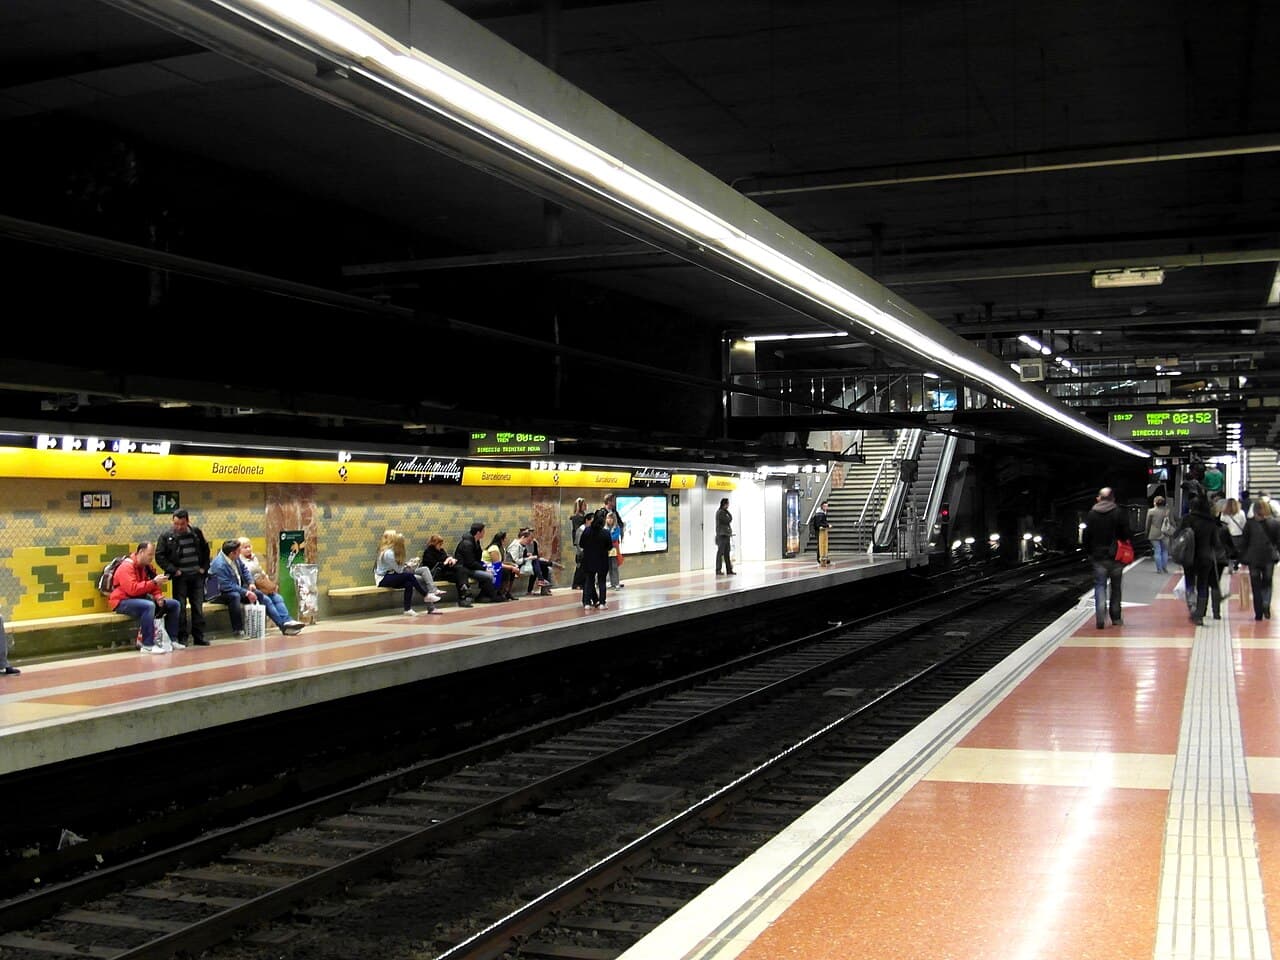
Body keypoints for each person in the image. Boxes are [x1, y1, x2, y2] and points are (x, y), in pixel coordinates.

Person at [109, 541, 181, 654]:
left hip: (140, 599)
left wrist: (158, 596)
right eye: (150, 554)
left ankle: (171, 640)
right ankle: (147, 645)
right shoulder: (126, 567)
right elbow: (132, 590)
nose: (151, 558)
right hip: (122, 601)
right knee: (148, 606)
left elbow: (153, 584)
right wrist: (153, 582)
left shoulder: (146, 567)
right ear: (141, 552)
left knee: (174, 604)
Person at [155, 508, 212, 646]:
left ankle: (199, 636)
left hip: (197, 576)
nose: (179, 527)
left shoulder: (196, 533)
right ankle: (182, 636)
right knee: (180, 606)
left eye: (182, 524)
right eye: (176, 524)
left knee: (197, 607)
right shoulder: (166, 536)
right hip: (180, 577)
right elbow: (160, 556)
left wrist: (204, 568)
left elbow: (205, 551)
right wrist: (174, 570)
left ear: (187, 521)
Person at [1081, 487, 1131, 629]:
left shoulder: (1091, 514)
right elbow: (1126, 533)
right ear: (1113, 498)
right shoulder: (1118, 513)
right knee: (1115, 587)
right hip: (1116, 556)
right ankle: (1116, 618)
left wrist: (1089, 552)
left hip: (1098, 557)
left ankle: (1100, 618)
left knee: (1100, 586)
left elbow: (1086, 537)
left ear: (1099, 498)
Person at [1181, 496, 1234, 626]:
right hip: (1205, 558)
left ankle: (1192, 608)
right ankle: (1199, 615)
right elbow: (1216, 543)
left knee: (1190, 584)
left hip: (1189, 557)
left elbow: (1178, 536)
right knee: (1203, 585)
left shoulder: (1186, 520)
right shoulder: (1210, 522)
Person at [237, 538, 305, 635]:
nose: (248, 549)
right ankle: (283, 625)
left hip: (261, 586)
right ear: (239, 550)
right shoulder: (239, 561)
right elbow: (247, 574)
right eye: (245, 547)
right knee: (267, 600)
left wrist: (267, 581)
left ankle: (288, 620)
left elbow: (261, 571)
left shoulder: (254, 558)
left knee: (278, 597)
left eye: (249, 546)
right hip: (249, 588)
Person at [375, 530, 440, 615]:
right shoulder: (388, 553)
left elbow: (396, 568)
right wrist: (408, 565)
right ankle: (426, 595)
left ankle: (407, 609)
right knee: (409, 576)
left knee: (408, 583)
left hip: (390, 575)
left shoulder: (388, 551)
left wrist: (407, 564)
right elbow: (399, 570)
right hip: (383, 578)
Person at [209, 539, 262, 639]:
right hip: (216, 592)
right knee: (235, 596)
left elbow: (245, 570)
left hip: (234, 588)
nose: (240, 552)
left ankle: (259, 627)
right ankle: (238, 630)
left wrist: (250, 582)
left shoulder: (235, 558)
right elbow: (226, 585)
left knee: (257, 594)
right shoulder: (219, 565)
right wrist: (245, 592)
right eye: (239, 550)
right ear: (232, 553)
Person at [1239, 501, 1280, 620]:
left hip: (1254, 559)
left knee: (1256, 585)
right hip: (1269, 558)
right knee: (1267, 583)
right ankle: (1266, 604)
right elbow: (1278, 541)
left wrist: (1241, 556)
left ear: (1255, 510)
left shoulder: (1250, 524)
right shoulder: (1275, 523)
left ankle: (1258, 613)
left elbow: (1244, 542)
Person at [421, 534, 474, 607]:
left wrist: (451, 561)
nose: (441, 546)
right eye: (439, 544)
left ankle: (463, 590)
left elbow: (445, 560)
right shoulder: (428, 553)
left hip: (446, 571)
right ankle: (464, 592)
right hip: (437, 574)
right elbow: (434, 566)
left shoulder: (442, 551)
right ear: (434, 543)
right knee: (460, 575)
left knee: (460, 571)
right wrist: (445, 562)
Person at [455, 522, 500, 601]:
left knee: (493, 572)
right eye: (483, 531)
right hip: (465, 569)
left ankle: (486, 595)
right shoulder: (467, 544)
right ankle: (487, 596)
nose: (484, 533)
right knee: (489, 576)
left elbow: (477, 559)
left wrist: (485, 566)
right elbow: (470, 563)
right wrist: (484, 569)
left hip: (471, 567)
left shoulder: (476, 542)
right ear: (478, 532)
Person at [579, 508, 611, 608]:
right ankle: (602, 603)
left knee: (589, 581)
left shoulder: (587, 531)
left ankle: (587, 603)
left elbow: (581, 544)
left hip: (588, 559)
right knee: (601, 581)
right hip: (602, 560)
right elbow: (609, 546)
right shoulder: (605, 533)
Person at [487, 531, 520, 600]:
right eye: (505, 538)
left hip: (495, 566)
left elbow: (502, 562)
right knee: (506, 570)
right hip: (489, 567)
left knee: (512, 570)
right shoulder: (494, 548)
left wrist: (512, 565)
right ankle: (501, 592)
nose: (507, 539)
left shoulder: (502, 548)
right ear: (502, 539)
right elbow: (497, 564)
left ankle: (507, 592)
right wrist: (511, 567)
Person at [1144, 495, 1172, 575]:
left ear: (1155, 503)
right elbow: (1172, 522)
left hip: (1154, 533)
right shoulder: (1167, 511)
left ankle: (1159, 569)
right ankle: (1164, 568)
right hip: (1165, 533)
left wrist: (1146, 532)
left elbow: (1147, 524)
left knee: (1157, 550)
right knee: (1165, 551)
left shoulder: (1151, 511)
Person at [1220, 498, 1247, 569]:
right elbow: (1244, 524)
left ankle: (1230, 565)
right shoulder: (1241, 512)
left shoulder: (1224, 514)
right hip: (1239, 535)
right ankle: (1237, 563)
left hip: (1228, 535)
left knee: (1230, 551)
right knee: (1239, 551)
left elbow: (1222, 525)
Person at [569, 497, 588, 589]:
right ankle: (577, 583)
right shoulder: (577, 518)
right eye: (584, 504)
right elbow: (578, 531)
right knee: (580, 563)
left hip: (584, 541)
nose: (586, 506)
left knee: (584, 563)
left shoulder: (583, 516)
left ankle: (582, 582)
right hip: (580, 542)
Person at [715, 497, 735, 575]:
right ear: (724, 504)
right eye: (727, 503)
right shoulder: (721, 512)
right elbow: (728, 519)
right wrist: (727, 512)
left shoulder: (724, 511)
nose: (728, 505)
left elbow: (729, 518)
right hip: (722, 536)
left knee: (727, 553)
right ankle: (718, 570)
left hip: (726, 535)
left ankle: (729, 570)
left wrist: (727, 511)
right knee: (720, 553)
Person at [605, 512, 623, 589]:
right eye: (608, 518)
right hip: (606, 549)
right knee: (609, 567)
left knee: (614, 566)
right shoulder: (605, 528)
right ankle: (612, 583)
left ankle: (616, 583)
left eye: (611, 518)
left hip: (614, 549)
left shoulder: (617, 528)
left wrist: (608, 538)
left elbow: (615, 537)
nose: (609, 520)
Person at [811, 501, 831, 565]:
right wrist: (827, 525)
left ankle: (823, 557)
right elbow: (819, 524)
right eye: (825, 506)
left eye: (827, 506)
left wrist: (826, 525)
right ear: (822, 506)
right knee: (820, 544)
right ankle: (821, 558)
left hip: (820, 531)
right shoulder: (820, 514)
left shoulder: (822, 513)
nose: (826, 507)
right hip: (819, 531)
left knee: (822, 544)